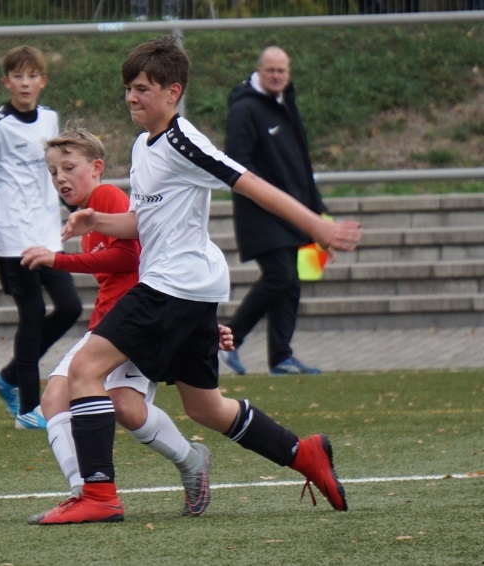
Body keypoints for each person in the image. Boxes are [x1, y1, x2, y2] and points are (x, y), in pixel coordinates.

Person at [29, 36, 362, 525]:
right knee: (206, 407)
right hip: (189, 286)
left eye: (142, 88)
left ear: (173, 92)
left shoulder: (183, 140)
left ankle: (98, 495)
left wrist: (317, 227)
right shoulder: (144, 145)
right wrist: (96, 222)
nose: (131, 97)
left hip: (172, 285)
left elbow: (250, 183)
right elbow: (144, 223)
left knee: (84, 371)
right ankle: (304, 453)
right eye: (128, 88)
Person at [20, 126, 235, 521]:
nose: (60, 178)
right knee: (83, 402)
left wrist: (57, 260)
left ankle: (182, 464)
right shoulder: (89, 213)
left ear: (96, 167)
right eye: (53, 172)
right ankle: (86, 492)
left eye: (69, 167)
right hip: (113, 322)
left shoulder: (106, 198)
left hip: (137, 322)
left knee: (113, 403)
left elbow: (129, 258)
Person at [0, 45, 82, 430]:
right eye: (17, 76)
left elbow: (60, 172)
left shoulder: (50, 120)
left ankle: (8, 377)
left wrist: (75, 210)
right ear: (7, 82)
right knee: (32, 314)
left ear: (43, 81)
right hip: (10, 237)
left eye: (32, 76)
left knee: (69, 307)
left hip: (47, 234)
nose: (25, 83)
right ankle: (28, 409)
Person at [220, 46, 327, 376]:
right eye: (271, 70)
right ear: (259, 71)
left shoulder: (285, 104)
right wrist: (269, 194)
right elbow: (237, 163)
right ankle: (226, 341)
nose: (277, 76)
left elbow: (301, 162)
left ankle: (281, 357)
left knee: (291, 282)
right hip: (260, 212)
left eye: (282, 70)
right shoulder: (244, 109)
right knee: (280, 275)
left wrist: (316, 210)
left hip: (292, 211)